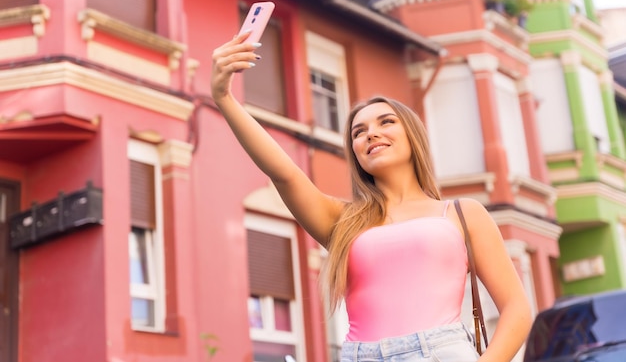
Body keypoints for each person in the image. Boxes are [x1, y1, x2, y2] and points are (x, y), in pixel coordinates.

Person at [211, 32, 532, 362]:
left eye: (386, 122)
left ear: (412, 136)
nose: (371, 133)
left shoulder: (463, 214)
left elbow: (517, 309)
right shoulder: (344, 221)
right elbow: (285, 173)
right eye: (358, 131)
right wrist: (224, 98)